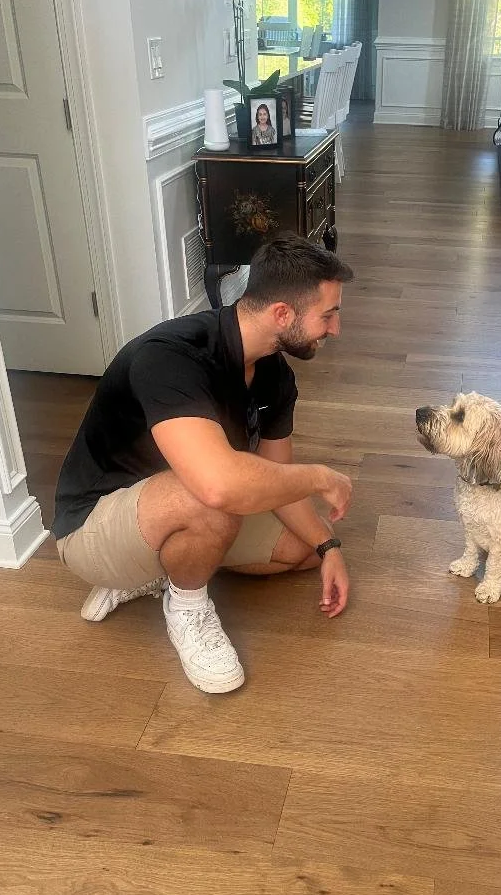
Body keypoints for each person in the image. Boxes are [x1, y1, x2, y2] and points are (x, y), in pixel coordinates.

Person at [52, 233, 354, 694]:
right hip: (92, 525)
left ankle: (161, 569)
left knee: (299, 548)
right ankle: (186, 607)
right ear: (282, 314)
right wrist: (320, 477)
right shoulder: (172, 357)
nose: (336, 329)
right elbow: (217, 487)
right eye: (328, 315)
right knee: (212, 499)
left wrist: (328, 548)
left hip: (170, 504)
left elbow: (278, 482)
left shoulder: (273, 371)